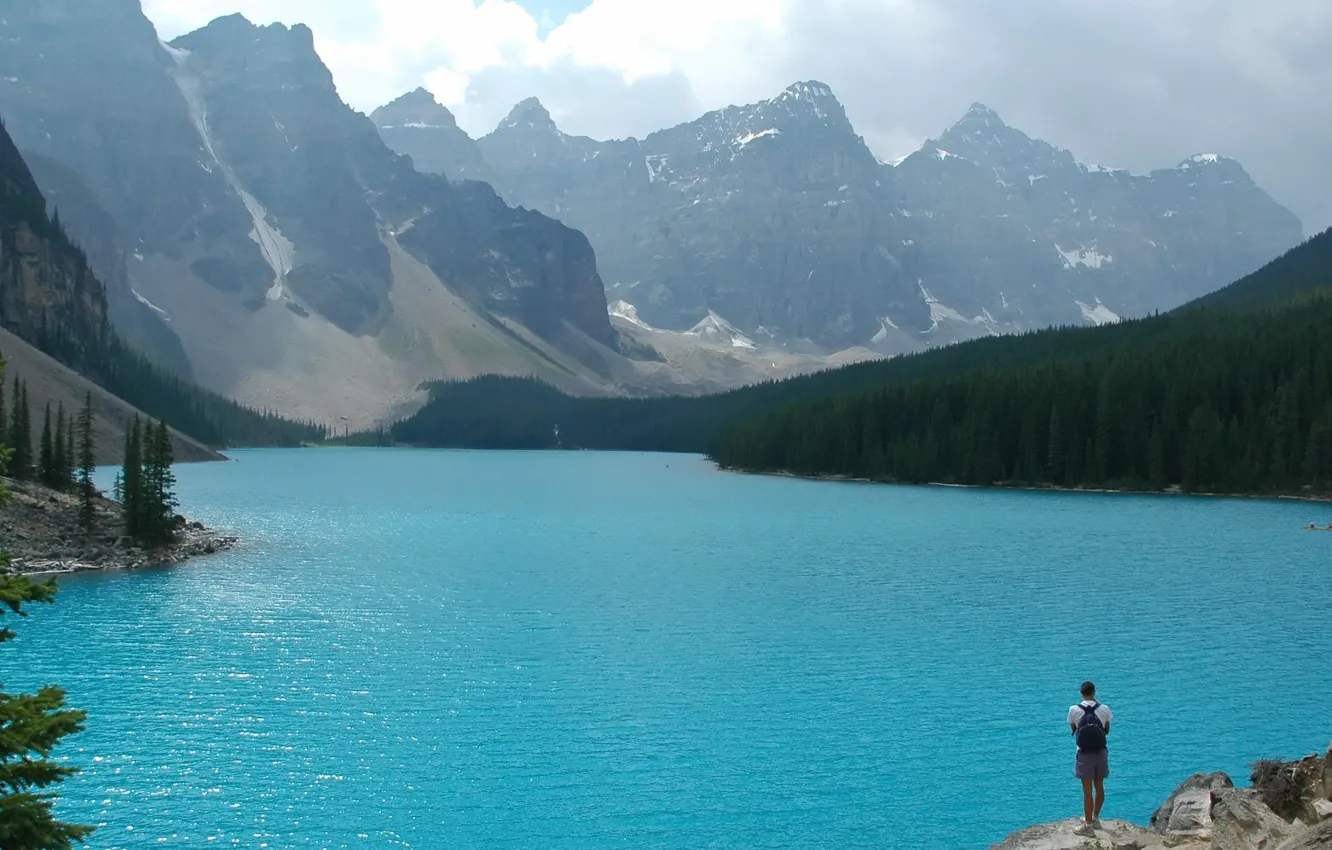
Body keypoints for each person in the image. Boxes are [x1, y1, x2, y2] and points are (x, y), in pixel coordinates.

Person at [1068, 680, 1112, 836]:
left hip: (1084, 753)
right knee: (1099, 786)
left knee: (1087, 791)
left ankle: (1088, 826)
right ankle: (1095, 818)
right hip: (1101, 751)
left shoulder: (1074, 709)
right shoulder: (1104, 708)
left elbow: (1073, 728)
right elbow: (1107, 729)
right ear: (1095, 692)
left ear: (1081, 693)